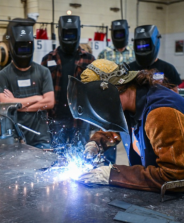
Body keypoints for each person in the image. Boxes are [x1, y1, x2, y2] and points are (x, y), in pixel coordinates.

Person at [68, 59, 184, 192]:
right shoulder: (129, 103)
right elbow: (115, 131)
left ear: (112, 93)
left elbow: (175, 177)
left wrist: (113, 174)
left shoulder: (161, 113)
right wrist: (96, 144)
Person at [0, 18, 54, 149]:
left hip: (41, 139)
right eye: (20, 47)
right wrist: (37, 98)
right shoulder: (3, 75)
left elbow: (49, 102)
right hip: (13, 139)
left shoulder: (43, 72)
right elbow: (5, 104)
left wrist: (18, 105)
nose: (24, 50)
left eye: (27, 46)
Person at [41, 15, 95, 151]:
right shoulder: (48, 59)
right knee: (57, 157)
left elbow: (95, 91)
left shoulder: (89, 60)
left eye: (72, 34)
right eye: (66, 34)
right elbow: (42, 91)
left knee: (81, 158)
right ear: (60, 33)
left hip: (81, 120)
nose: (69, 37)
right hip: (57, 118)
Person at [129, 25, 181, 92]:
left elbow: (175, 93)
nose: (143, 47)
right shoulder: (130, 69)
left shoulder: (168, 68)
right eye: (140, 44)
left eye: (146, 44)